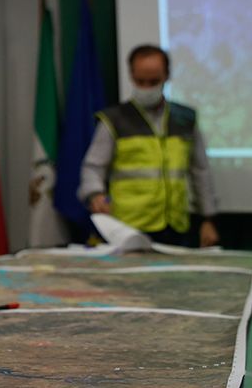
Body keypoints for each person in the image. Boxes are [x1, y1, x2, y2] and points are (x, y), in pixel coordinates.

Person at [78, 44, 219, 247]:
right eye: (140, 81)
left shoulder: (185, 120)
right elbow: (93, 167)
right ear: (132, 75)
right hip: (129, 227)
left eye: (153, 81)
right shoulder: (114, 119)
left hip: (175, 226)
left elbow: (200, 171)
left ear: (167, 76)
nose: (146, 88)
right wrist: (95, 194)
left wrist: (208, 219)